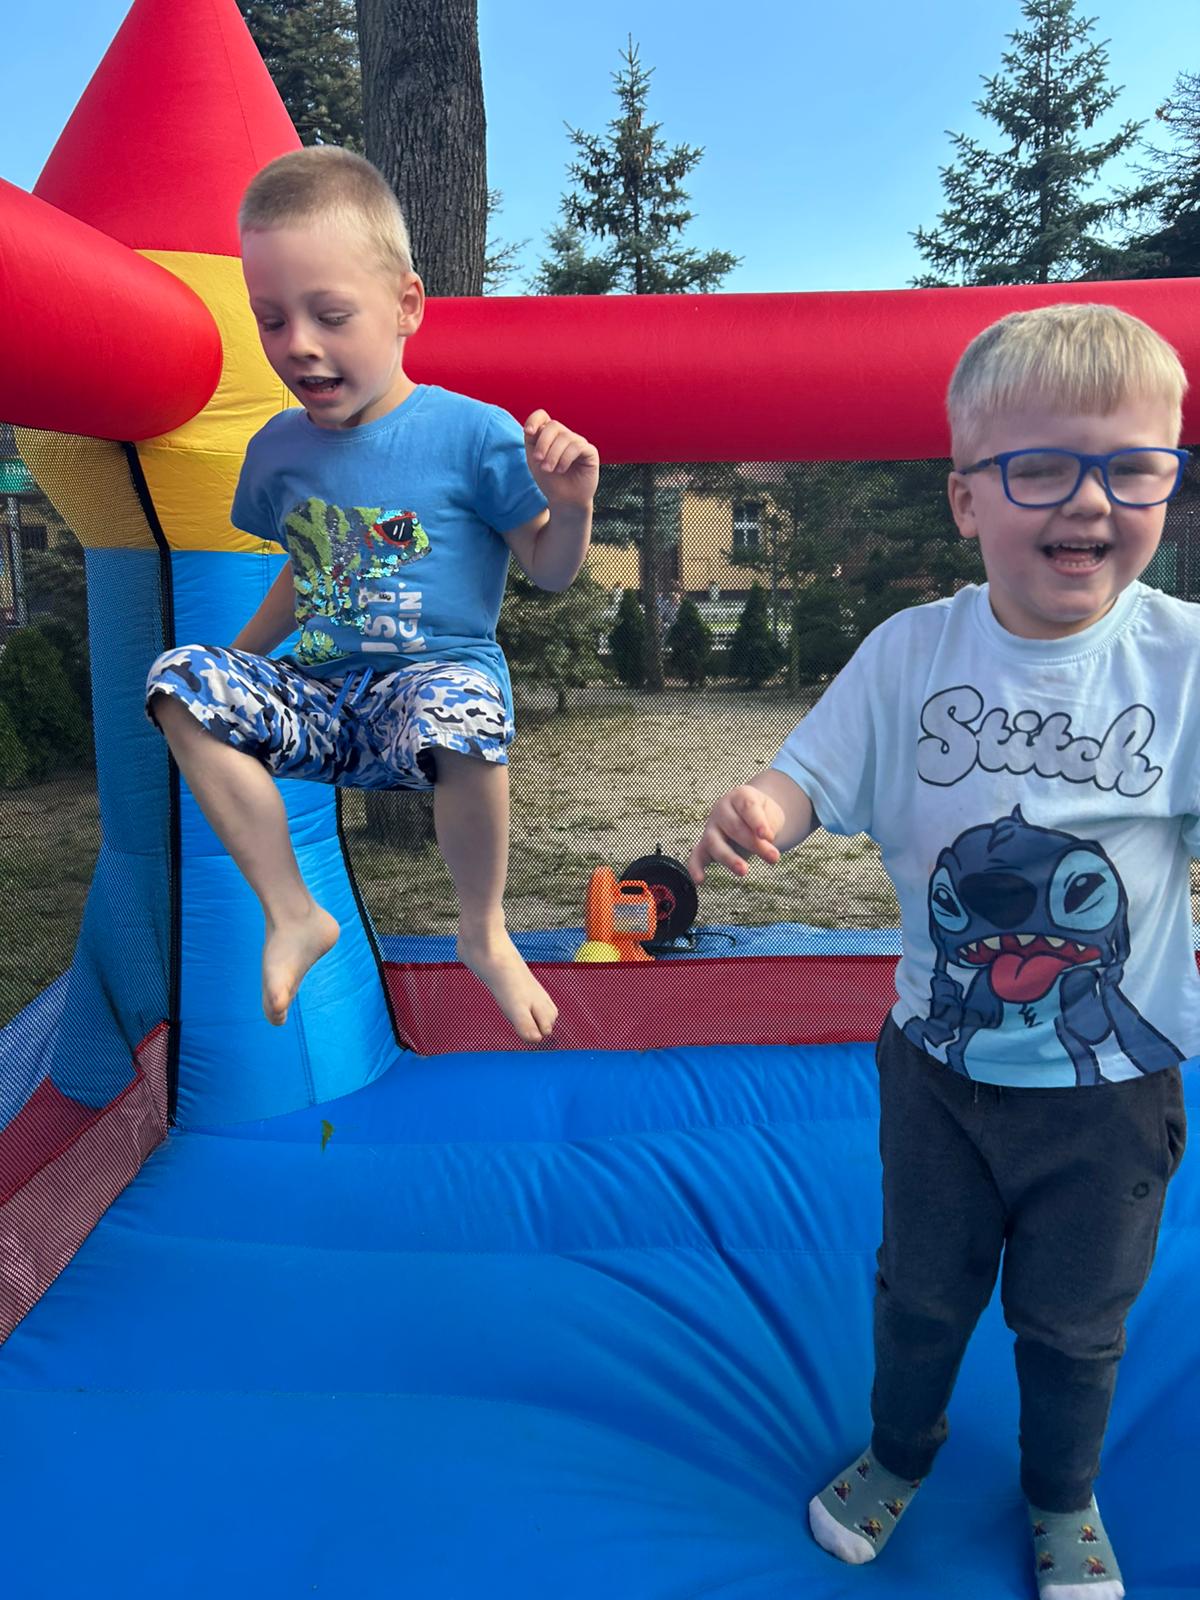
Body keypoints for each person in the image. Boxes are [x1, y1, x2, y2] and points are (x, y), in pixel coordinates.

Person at [689, 302, 1193, 1598]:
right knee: (920, 1293)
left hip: (1110, 1094)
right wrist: (764, 811)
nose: (1091, 500)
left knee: (1076, 1323)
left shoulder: (1182, 661)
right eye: (1043, 467)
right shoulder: (913, 653)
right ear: (967, 498)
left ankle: (1062, 1494)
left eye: (1133, 467)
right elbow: (811, 774)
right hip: (940, 1076)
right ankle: (901, 1450)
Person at [145, 147, 597, 1043]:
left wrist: (572, 506)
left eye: (330, 315)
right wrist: (236, 660)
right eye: (272, 320)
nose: (299, 344)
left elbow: (549, 570)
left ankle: (483, 931)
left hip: (430, 692)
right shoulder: (279, 450)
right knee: (178, 682)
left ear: (405, 306)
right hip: (324, 700)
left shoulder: (472, 435)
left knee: (460, 709)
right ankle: (292, 911)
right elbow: (309, 568)